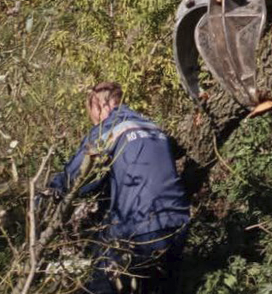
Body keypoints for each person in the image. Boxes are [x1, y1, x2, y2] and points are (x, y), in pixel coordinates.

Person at [48, 82, 190, 294]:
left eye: (93, 116)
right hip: (178, 223)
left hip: (138, 225)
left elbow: (79, 178)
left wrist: (52, 190)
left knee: (100, 285)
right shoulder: (152, 126)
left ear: (99, 106)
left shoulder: (110, 127)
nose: (95, 121)